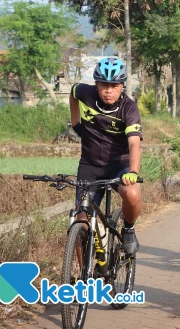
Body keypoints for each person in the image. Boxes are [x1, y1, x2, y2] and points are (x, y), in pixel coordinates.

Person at [69, 57, 143, 265]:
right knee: (80, 220)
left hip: (120, 166)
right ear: (96, 84)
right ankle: (85, 278)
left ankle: (128, 228)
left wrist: (133, 173)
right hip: (90, 166)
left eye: (114, 85)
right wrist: (76, 124)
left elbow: (134, 144)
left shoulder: (128, 108)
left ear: (122, 86)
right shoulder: (85, 93)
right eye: (104, 85)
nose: (108, 90)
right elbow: (73, 93)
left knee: (132, 191)